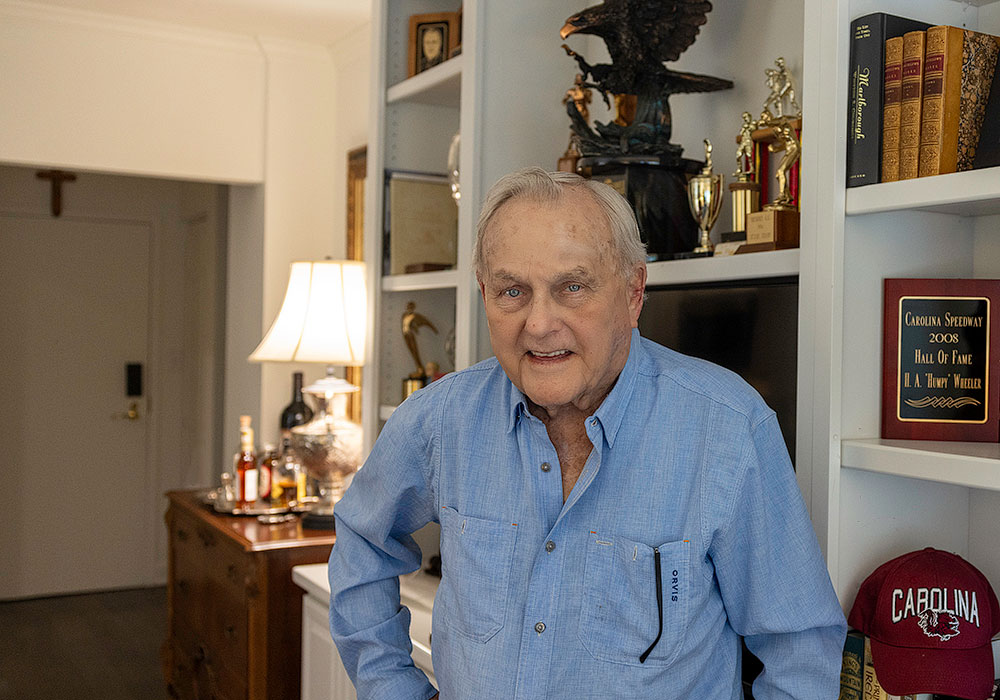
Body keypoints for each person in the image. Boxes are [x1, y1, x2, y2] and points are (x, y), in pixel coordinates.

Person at [328, 167, 847, 699]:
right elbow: (362, 542)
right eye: (512, 291)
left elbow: (800, 653)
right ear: (485, 295)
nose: (539, 323)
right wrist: (393, 688)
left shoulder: (728, 429)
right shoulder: (439, 420)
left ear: (633, 292)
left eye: (572, 287)